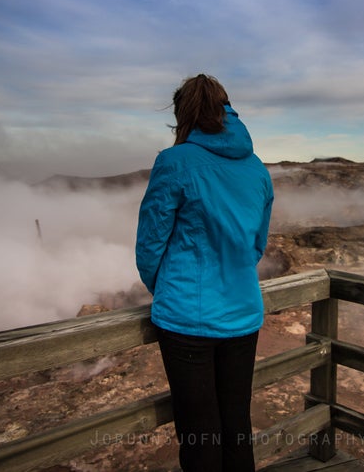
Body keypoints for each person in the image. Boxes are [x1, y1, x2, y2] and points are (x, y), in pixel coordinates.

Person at [136, 73, 274, 472]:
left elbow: (150, 245)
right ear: (227, 109)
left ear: (185, 114)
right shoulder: (258, 169)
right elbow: (255, 245)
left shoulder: (174, 162)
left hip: (186, 321)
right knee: (236, 427)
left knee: (199, 435)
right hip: (243, 316)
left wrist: (166, 289)